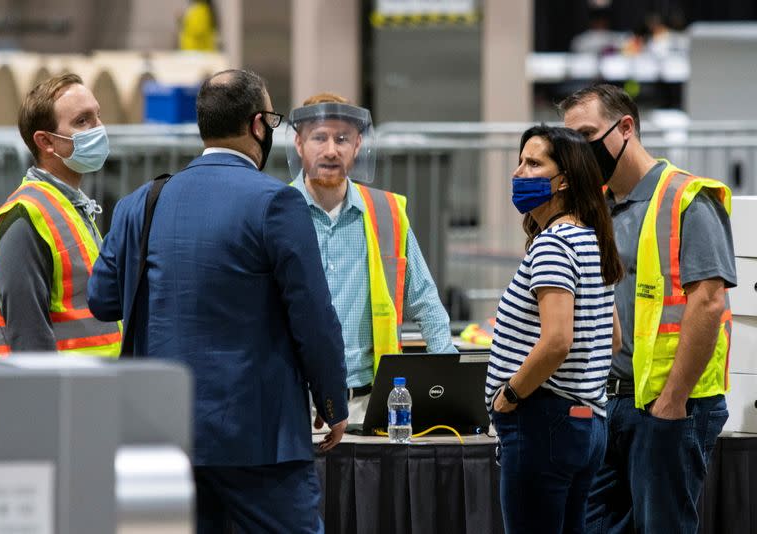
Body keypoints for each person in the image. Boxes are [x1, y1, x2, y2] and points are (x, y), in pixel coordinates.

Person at [87, 69, 348, 534]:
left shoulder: (138, 204)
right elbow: (313, 317)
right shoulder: (276, 203)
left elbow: (102, 299)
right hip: (259, 440)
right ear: (257, 125)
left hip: (162, 435)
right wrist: (333, 403)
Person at [560, 83, 736, 534]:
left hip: (670, 406)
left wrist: (673, 400)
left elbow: (708, 301)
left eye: (586, 135)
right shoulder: (596, 206)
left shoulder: (687, 198)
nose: (578, 151)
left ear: (625, 128)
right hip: (608, 404)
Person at [286, 92, 455, 424]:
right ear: (299, 144)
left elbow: (425, 301)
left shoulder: (385, 213)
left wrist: (447, 380)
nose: (331, 150)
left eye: (342, 138)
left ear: (358, 145)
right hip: (295, 403)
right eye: (319, 137)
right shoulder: (277, 211)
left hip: (370, 403)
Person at [486, 124, 623, 533]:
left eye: (533, 163)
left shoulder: (554, 244)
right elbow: (613, 339)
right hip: (586, 421)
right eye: (519, 161)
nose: (518, 172)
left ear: (563, 180)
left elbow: (558, 340)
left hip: (543, 421)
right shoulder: (591, 239)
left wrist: (509, 394)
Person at [0, 73, 121, 356]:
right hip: (62, 395)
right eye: (82, 121)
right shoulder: (24, 216)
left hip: (94, 391)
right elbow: (28, 337)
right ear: (46, 141)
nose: (99, 129)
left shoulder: (71, 207)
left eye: (97, 116)